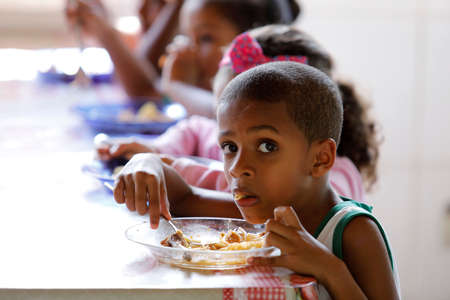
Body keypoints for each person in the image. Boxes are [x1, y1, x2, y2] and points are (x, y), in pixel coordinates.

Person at [112, 62, 400, 299]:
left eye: (266, 146)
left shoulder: (354, 231)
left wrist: (328, 268)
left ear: (320, 159)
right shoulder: (263, 217)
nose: (237, 169)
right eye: (230, 148)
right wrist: (147, 162)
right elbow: (184, 199)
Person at [100, 25, 381, 201]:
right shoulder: (222, 137)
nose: (236, 164)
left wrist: (172, 168)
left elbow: (296, 214)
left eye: (266, 144)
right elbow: (195, 129)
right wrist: (153, 150)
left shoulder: (335, 178)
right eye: (223, 116)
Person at [66, 0, 301, 117]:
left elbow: (226, 114)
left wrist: (176, 86)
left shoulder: (255, 90)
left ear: (251, 42)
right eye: (188, 37)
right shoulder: (206, 81)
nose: (191, 49)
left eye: (206, 38)